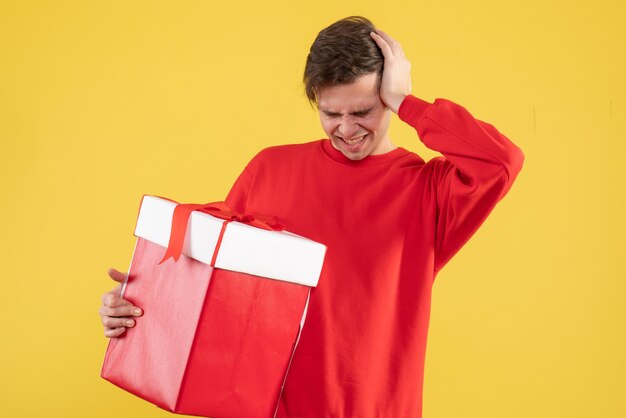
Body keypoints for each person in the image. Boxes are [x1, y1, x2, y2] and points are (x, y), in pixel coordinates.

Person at [100, 16, 524, 418]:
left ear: (387, 98)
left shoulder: (430, 191)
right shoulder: (268, 169)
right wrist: (141, 308)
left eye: (363, 112)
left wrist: (407, 101)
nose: (346, 129)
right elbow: (216, 297)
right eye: (330, 113)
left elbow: (501, 161)